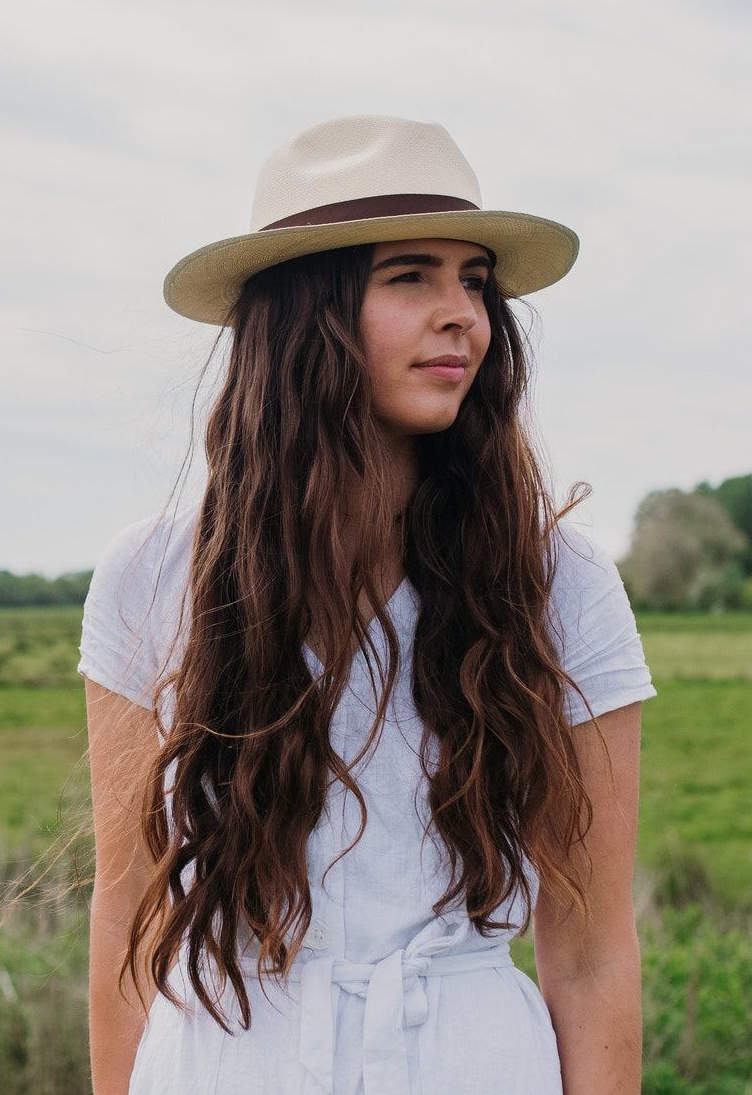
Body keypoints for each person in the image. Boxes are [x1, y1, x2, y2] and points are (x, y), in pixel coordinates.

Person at [77, 113, 657, 1095]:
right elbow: (124, 915)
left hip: (468, 1062)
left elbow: (592, 950)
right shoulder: (150, 577)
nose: (463, 314)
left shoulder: (560, 582)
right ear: (306, 313)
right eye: (409, 277)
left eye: (473, 280)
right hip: (224, 1062)